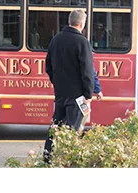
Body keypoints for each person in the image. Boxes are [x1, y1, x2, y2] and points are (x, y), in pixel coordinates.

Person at [44, 9, 94, 163]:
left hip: (60, 92)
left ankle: (47, 156)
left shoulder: (56, 39)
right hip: (77, 94)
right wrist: (88, 94)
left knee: (56, 125)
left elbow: (48, 66)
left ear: (70, 21)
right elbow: (86, 71)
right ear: (82, 23)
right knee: (73, 129)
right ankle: (69, 159)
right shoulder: (82, 42)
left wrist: (56, 82)